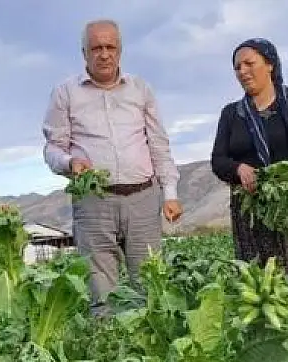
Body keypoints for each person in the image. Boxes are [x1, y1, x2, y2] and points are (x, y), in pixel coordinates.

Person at [42, 19, 183, 316]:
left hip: (142, 198)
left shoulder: (140, 89)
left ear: (120, 51)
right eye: (96, 48)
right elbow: (53, 146)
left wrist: (170, 192)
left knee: (149, 285)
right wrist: (69, 163)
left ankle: (149, 354)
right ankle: (108, 353)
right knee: (101, 290)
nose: (103, 54)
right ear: (84, 53)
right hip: (94, 201)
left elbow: (158, 143)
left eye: (110, 47)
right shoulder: (65, 93)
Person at [210, 38, 288, 281]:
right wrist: (238, 168)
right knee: (261, 284)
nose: (242, 71)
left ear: (270, 64)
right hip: (252, 213)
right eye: (237, 67)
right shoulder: (232, 113)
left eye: (249, 63)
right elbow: (218, 160)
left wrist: (278, 176)